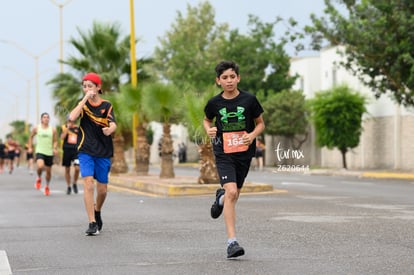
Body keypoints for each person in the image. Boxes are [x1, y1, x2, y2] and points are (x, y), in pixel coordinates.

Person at [204, 60, 265, 258]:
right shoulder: (214, 103)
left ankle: (220, 199)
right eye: (224, 78)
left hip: (244, 152)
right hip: (223, 151)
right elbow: (207, 120)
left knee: (234, 195)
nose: (229, 81)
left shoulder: (249, 100)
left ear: (238, 78)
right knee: (232, 192)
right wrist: (209, 129)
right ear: (218, 81)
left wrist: (252, 135)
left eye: (232, 77)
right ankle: (232, 242)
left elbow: (260, 124)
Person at [69, 72, 116, 236]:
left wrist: (110, 129)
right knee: (88, 183)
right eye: (85, 86)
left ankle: (97, 210)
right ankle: (92, 222)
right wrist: (83, 100)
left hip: (103, 151)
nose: (87, 89)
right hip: (85, 150)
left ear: (98, 87)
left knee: (102, 190)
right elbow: (72, 117)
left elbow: (113, 123)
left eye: (90, 86)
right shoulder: (84, 106)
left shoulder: (107, 105)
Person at [28, 112, 58, 196]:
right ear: (41, 119)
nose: (46, 119)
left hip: (49, 152)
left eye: (48, 117)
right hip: (40, 151)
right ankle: (39, 178)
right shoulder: (36, 128)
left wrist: (55, 148)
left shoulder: (53, 129)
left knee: (48, 172)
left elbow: (55, 141)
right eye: (44, 117)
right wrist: (30, 147)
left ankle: (47, 186)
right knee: (40, 166)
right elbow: (31, 137)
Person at [61, 116, 80, 195]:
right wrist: (67, 128)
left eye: (72, 120)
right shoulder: (64, 128)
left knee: (77, 168)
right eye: (69, 120)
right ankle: (68, 186)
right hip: (67, 150)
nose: (71, 121)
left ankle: (74, 183)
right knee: (67, 169)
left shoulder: (78, 128)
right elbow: (62, 137)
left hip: (76, 151)